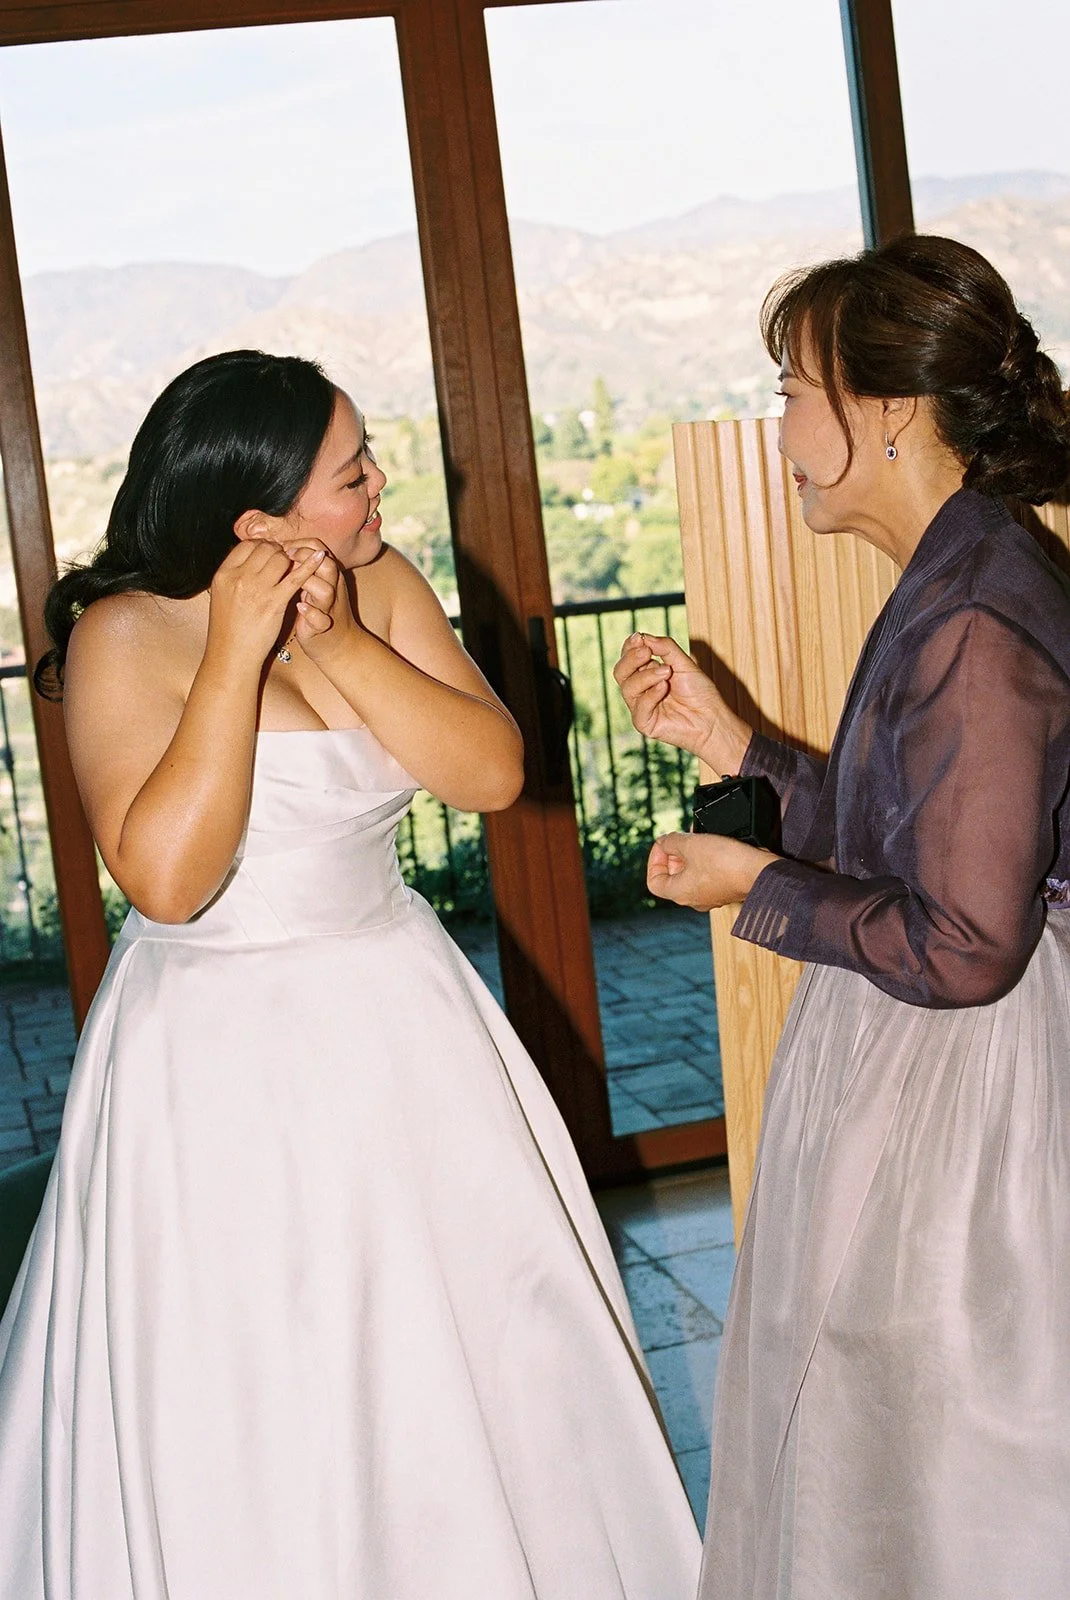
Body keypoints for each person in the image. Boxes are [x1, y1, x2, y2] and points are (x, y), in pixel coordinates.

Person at [0, 349, 700, 1599]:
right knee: (267, 1382)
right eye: (349, 473)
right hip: (217, 1065)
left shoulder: (379, 582)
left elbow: (489, 771)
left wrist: (333, 648)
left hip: (399, 1024)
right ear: (253, 519)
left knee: (464, 1362)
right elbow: (166, 878)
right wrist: (235, 650)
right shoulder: (122, 635)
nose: (380, 485)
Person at [615, 235, 1070, 1599]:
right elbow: (910, 835)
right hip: (937, 1071)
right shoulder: (961, 570)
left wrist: (754, 886)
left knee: (921, 1445)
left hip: (965, 1099)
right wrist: (742, 749)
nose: (781, 431)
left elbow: (965, 943)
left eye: (789, 391)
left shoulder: (975, 615)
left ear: (881, 411)